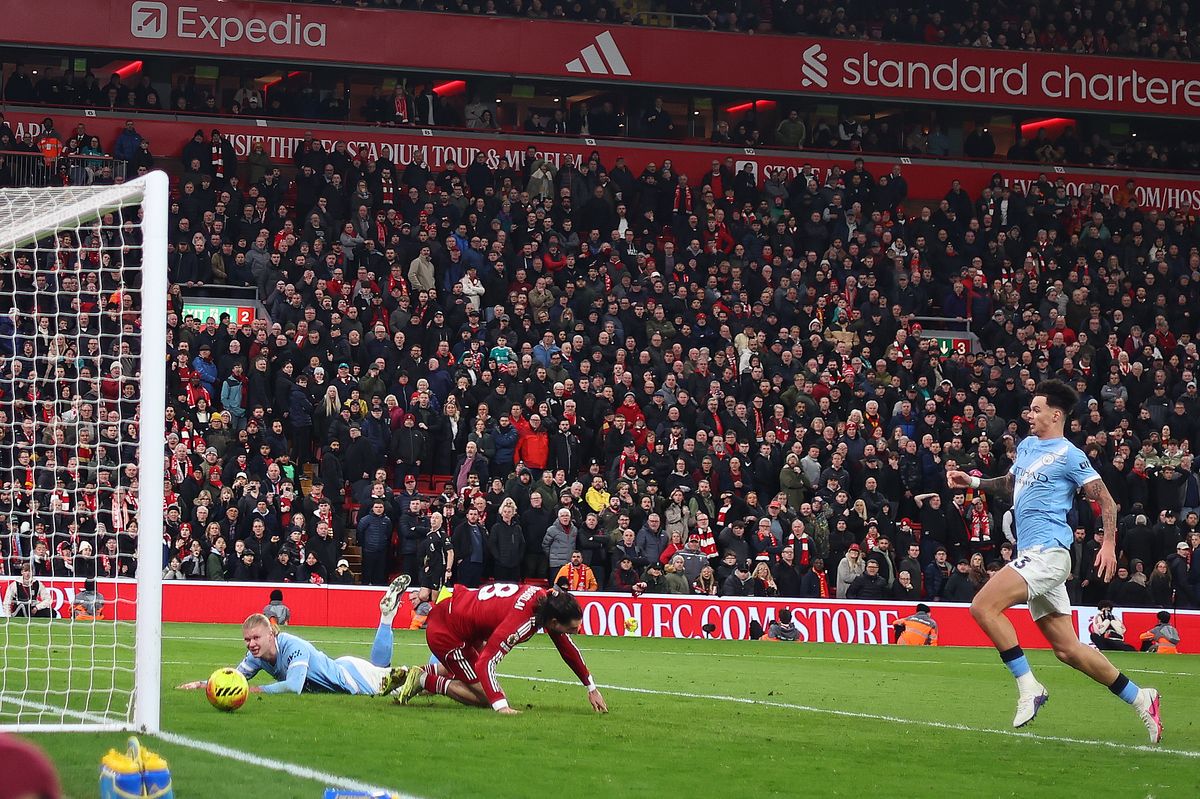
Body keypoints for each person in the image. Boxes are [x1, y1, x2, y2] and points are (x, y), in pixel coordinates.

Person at [947, 380, 1162, 742]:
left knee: (982, 606)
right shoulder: (1028, 446)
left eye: (1036, 409)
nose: (1029, 415)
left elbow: (1107, 502)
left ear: (1055, 415)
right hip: (1032, 554)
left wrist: (1108, 544)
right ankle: (1142, 698)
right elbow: (1009, 484)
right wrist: (973, 481)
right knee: (1068, 649)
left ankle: (1029, 687)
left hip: (1049, 553)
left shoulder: (1071, 455)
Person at [394, 583, 607, 715]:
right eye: (570, 628)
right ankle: (424, 680)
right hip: (448, 633)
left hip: (461, 620)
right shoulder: (522, 621)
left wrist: (591, 687)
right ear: (553, 621)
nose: (575, 632)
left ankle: (408, 675)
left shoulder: (545, 601)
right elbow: (486, 661)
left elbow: (566, 648)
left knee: (471, 674)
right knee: (487, 697)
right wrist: (500, 705)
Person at [179, 576, 412, 696]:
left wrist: (252, 690)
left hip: (352, 679)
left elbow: (293, 687)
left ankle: (388, 618)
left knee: (413, 681)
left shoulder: (293, 646)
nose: (251, 644)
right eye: (247, 640)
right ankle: (387, 617)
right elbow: (235, 678)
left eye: (256, 638)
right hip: (341, 668)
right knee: (383, 668)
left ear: (271, 633)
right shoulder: (256, 656)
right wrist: (203, 685)